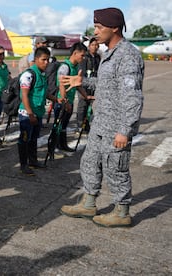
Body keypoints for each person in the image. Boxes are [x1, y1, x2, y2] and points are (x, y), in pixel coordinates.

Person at [60, 7, 144, 227]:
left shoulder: (128, 55)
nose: (95, 32)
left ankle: (122, 211)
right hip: (101, 122)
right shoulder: (108, 54)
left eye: (99, 27)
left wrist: (125, 130)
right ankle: (88, 203)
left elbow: (132, 96)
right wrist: (83, 83)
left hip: (116, 126)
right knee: (90, 163)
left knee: (116, 167)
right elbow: (107, 85)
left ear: (114, 27)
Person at [53, 42, 94, 152]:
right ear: (75, 53)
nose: (83, 57)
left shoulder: (75, 67)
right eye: (82, 55)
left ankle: (62, 145)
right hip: (62, 102)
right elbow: (61, 85)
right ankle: (54, 146)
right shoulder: (65, 67)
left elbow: (77, 85)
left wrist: (86, 96)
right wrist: (65, 103)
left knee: (64, 125)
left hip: (69, 101)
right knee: (58, 125)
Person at [17, 47, 50, 175]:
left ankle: (33, 161)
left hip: (38, 112)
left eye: (48, 60)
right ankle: (23, 165)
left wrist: (56, 99)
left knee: (33, 139)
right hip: (27, 114)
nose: (46, 62)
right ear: (36, 60)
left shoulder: (42, 74)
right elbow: (24, 95)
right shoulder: (28, 75)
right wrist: (30, 114)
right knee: (24, 139)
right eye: (43, 60)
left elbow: (43, 92)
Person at [77, 37, 101, 132]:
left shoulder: (98, 57)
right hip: (84, 84)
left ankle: (86, 124)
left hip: (93, 84)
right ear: (89, 46)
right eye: (93, 45)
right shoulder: (85, 57)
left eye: (96, 45)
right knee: (82, 105)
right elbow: (82, 72)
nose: (95, 47)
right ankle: (80, 125)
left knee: (89, 105)